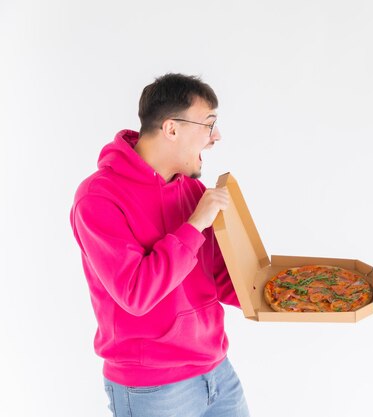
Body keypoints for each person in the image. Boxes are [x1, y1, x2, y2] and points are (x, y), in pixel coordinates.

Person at [70, 73, 250, 417]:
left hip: (217, 373)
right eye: (209, 124)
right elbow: (136, 293)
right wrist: (196, 223)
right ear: (171, 129)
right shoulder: (98, 199)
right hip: (152, 388)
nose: (216, 137)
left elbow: (215, 276)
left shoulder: (191, 192)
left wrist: (279, 295)